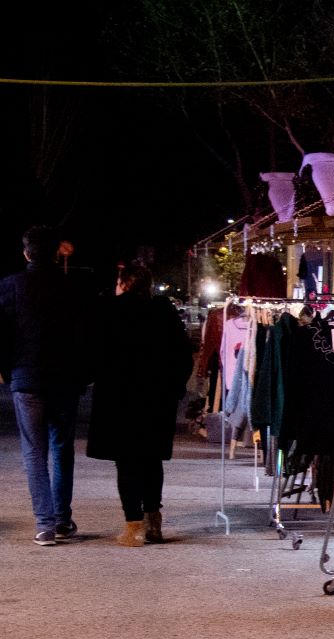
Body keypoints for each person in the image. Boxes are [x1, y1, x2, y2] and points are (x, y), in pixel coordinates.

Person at [87, 264, 193, 545]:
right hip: (157, 399)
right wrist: (175, 389)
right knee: (151, 459)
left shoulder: (109, 310)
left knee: (126, 462)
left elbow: (95, 353)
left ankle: (133, 527)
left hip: (118, 398)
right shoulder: (163, 311)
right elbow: (183, 354)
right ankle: (153, 521)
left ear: (122, 283)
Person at [0, 225, 91, 545]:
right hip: (65, 379)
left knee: (33, 452)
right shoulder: (74, 287)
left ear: (26, 252)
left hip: (26, 379)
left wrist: (6, 370)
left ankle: (45, 524)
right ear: (55, 253)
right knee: (62, 448)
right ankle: (63, 518)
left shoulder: (10, 286)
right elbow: (84, 336)